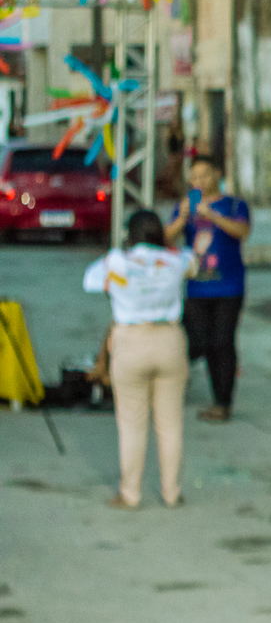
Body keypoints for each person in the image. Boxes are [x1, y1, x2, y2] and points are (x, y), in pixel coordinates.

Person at [84, 210, 197, 509]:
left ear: (129, 235)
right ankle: (171, 493)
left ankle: (130, 493)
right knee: (170, 424)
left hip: (130, 342)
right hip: (170, 341)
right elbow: (194, 264)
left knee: (132, 424)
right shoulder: (175, 260)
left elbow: (90, 280)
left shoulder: (117, 261)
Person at [164, 153, 250, 424]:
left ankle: (222, 402)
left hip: (229, 286)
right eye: (194, 177)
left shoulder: (234, 204)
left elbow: (242, 232)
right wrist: (182, 218)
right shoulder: (185, 206)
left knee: (223, 342)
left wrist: (212, 215)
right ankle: (178, 383)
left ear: (217, 175)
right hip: (196, 287)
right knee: (198, 342)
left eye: (204, 175)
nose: (199, 181)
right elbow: (166, 239)